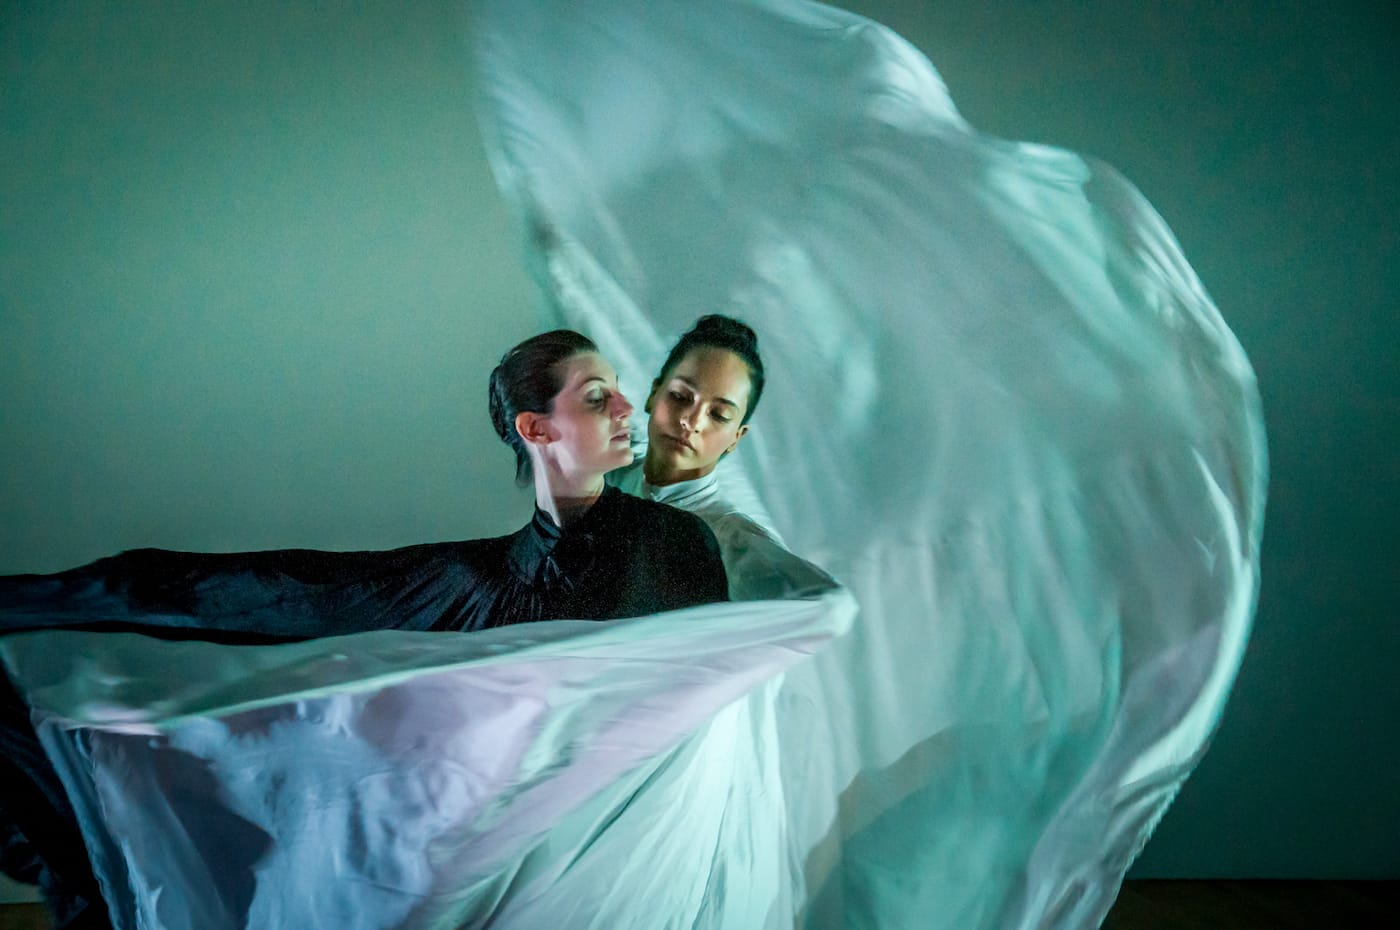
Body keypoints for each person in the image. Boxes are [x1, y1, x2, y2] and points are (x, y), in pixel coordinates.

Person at [0, 328, 729, 929]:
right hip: (487, 846)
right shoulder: (474, 582)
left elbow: (689, 689)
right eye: (597, 397)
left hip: (607, 864)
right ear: (536, 428)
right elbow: (278, 591)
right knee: (233, 596)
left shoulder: (669, 542)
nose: (628, 406)